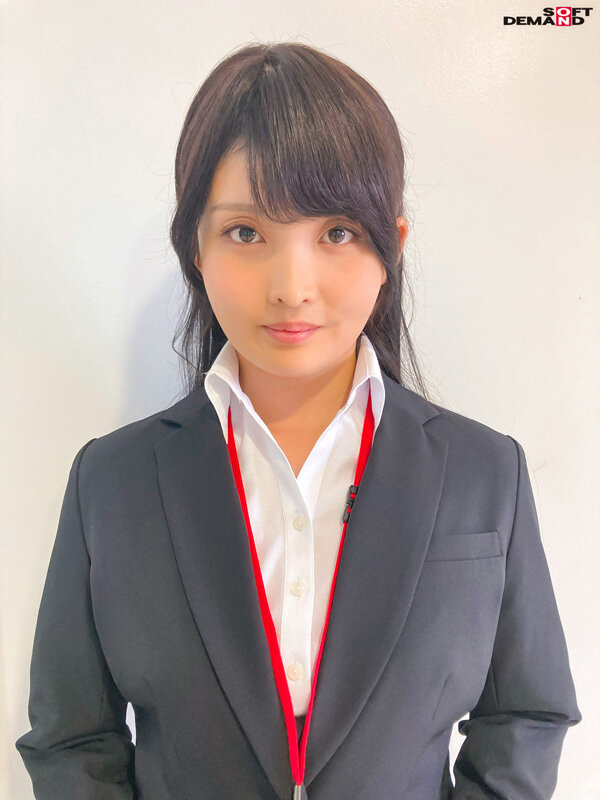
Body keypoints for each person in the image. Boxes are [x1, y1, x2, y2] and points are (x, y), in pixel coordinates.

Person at [15, 41, 581, 800]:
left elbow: (526, 713)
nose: (292, 287)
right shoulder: (112, 481)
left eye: (337, 232)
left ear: (391, 247)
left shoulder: (484, 471)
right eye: (246, 233)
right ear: (195, 247)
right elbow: (72, 737)